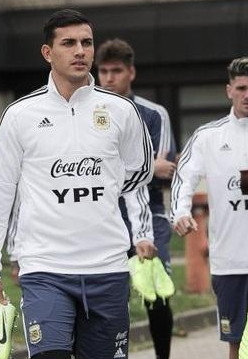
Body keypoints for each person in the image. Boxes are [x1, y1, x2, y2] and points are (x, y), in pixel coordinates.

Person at [0, 9, 154, 359]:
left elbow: (141, 170)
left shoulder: (120, 110)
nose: (80, 51)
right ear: (47, 53)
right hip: (45, 268)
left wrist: (103, 185)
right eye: (69, 43)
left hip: (108, 267)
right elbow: (0, 193)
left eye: (86, 43)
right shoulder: (20, 115)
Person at [170, 56, 248, 359]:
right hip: (229, 261)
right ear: (228, 90)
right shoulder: (208, 136)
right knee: (239, 342)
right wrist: (180, 212)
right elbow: (184, 178)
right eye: (241, 87)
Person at [96, 37, 177, 359]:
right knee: (112, 296)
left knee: (157, 295)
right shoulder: (91, 111)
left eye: (116, 71)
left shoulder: (154, 114)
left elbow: (164, 168)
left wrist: (143, 167)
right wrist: (142, 165)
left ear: (131, 72)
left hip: (151, 212)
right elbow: (146, 166)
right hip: (104, 214)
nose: (109, 78)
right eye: (103, 71)